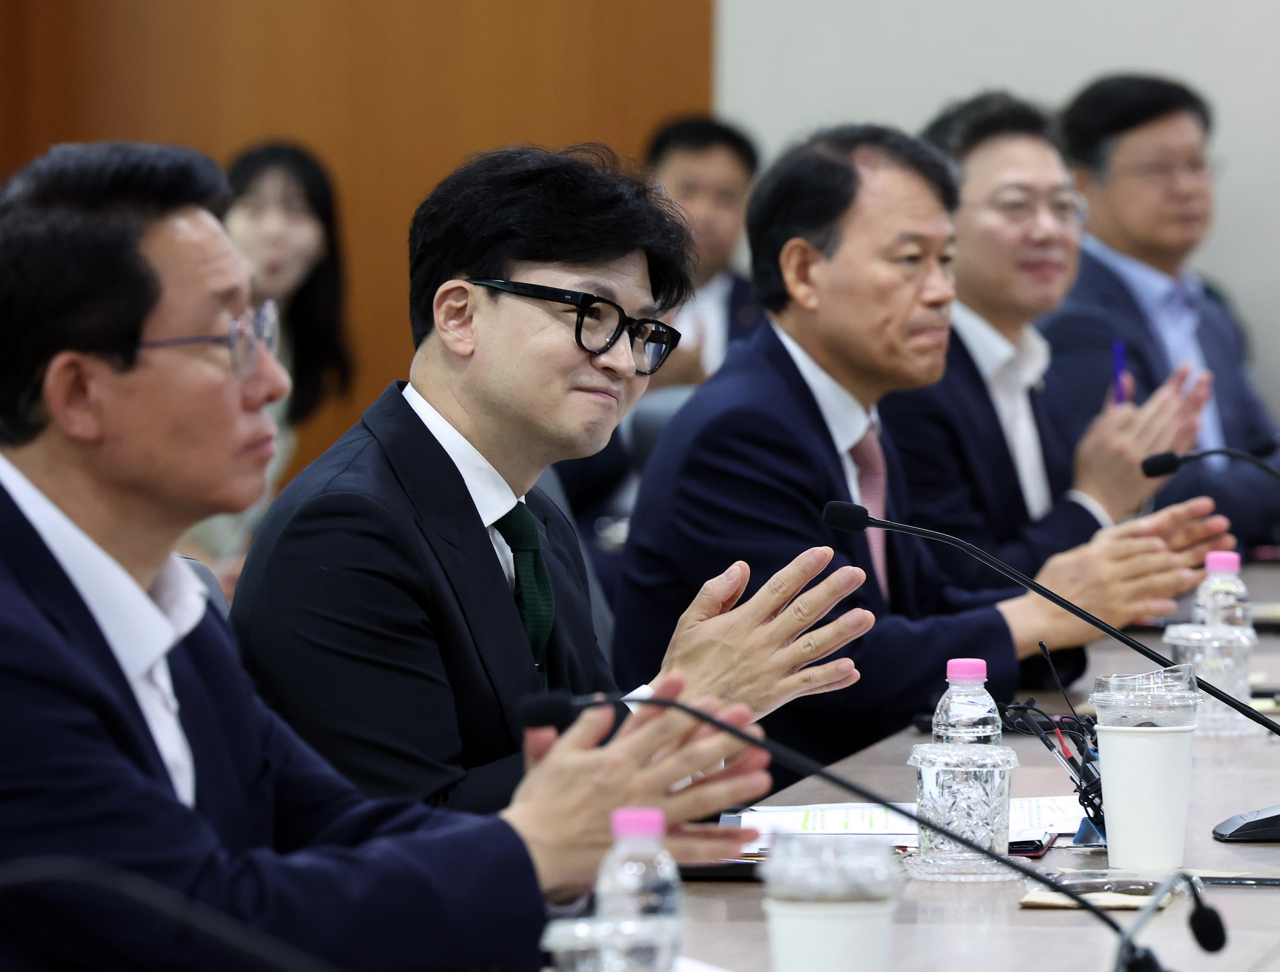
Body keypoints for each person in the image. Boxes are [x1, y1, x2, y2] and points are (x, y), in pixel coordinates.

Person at [0, 141, 773, 970]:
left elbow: (330, 822)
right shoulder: (19, 647)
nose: (270, 379)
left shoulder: (166, 607)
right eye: (223, 339)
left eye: (259, 328)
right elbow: (201, 922)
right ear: (78, 393)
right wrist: (551, 828)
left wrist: (559, 835)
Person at [233, 144, 876, 813]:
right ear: (458, 314)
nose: (627, 362)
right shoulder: (345, 530)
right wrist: (673, 708)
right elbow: (414, 829)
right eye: (591, 316)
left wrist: (677, 718)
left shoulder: (535, 519)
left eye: (643, 332)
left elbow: (553, 756)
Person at [612, 125, 1230, 783]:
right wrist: (1040, 610)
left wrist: (1078, 588)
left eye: (946, 262)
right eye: (910, 260)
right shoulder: (743, 430)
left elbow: (927, 602)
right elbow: (837, 666)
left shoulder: (851, 411)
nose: (941, 292)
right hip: (756, 818)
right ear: (803, 271)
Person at [880, 92, 1221, 594]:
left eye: (1064, 206)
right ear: (938, 225)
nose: (1049, 230)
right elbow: (962, 590)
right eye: (1016, 206)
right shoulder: (913, 380)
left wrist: (1141, 531)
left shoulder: (1034, 361)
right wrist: (1097, 502)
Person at [1039, 74, 1280, 552]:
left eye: (1196, 164)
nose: (1187, 187)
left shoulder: (1210, 307)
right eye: (1158, 169)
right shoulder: (1071, 313)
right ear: (1083, 184)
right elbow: (1162, 495)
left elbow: (1258, 447)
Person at [180, 142, 354, 601]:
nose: (275, 231)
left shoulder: (291, 343)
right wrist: (193, 568)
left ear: (323, 240)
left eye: (297, 213)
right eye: (253, 209)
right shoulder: (187, 337)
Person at [644, 116, 769, 387]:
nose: (704, 214)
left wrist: (699, 387)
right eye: (688, 190)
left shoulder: (772, 314)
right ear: (650, 191)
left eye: (725, 197)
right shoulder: (607, 300)